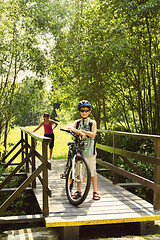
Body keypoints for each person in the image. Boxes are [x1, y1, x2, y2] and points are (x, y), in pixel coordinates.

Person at [68, 100, 100, 200]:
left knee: (93, 172)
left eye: (86, 110)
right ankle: (79, 191)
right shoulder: (77, 122)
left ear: (89, 111)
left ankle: (95, 192)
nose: (84, 112)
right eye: (82, 110)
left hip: (90, 151)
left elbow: (93, 134)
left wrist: (82, 131)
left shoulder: (92, 122)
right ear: (79, 111)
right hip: (79, 151)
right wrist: (79, 132)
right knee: (79, 172)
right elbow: (70, 128)